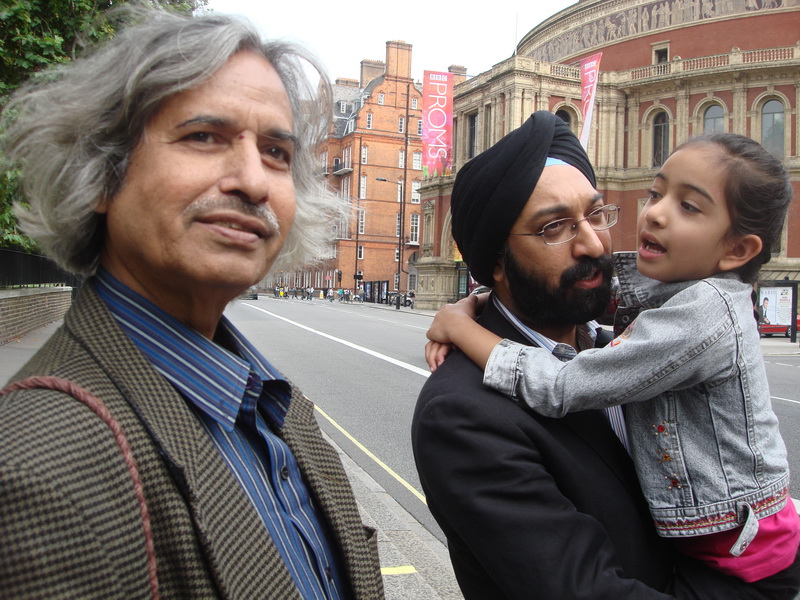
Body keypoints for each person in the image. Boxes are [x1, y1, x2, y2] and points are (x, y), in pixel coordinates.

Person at [0, 8, 383, 599]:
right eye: (204, 136)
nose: (253, 180)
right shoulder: (35, 469)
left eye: (276, 152)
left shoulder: (270, 403)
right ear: (102, 174)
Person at [412, 112, 782, 599]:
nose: (592, 243)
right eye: (554, 229)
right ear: (496, 261)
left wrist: (468, 312)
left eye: (596, 214)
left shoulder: (628, 350)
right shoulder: (461, 414)